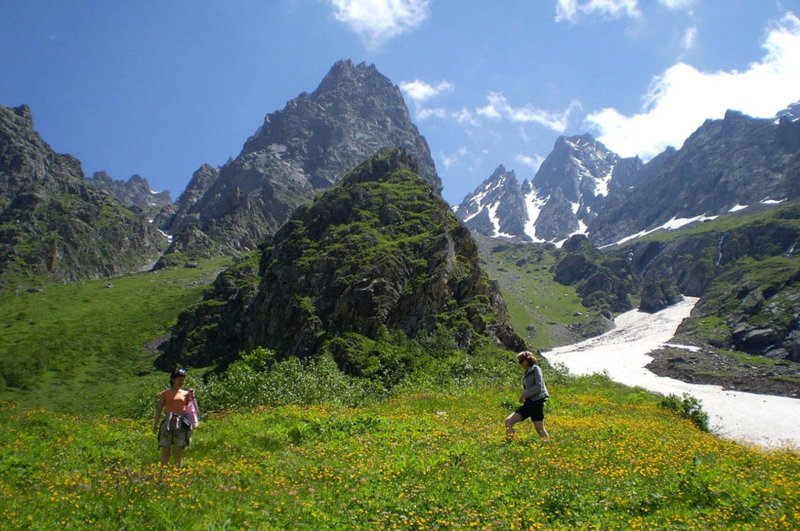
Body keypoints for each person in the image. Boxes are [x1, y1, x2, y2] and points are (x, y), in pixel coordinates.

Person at [153, 367, 198, 467]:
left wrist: (192, 397)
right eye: (179, 379)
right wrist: (155, 425)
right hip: (168, 423)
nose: (181, 382)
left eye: (183, 380)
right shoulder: (165, 393)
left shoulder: (187, 393)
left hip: (182, 423)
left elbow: (192, 410)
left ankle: (177, 472)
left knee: (179, 450)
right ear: (173, 379)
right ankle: (163, 472)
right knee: (165, 449)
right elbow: (159, 409)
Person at [505, 350, 550, 441]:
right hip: (530, 403)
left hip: (535, 403)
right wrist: (525, 396)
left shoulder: (535, 368)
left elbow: (539, 385)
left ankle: (509, 442)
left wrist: (525, 394)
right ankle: (547, 444)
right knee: (539, 428)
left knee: (509, 421)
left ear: (527, 360)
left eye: (521, 361)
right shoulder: (527, 372)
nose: (520, 363)